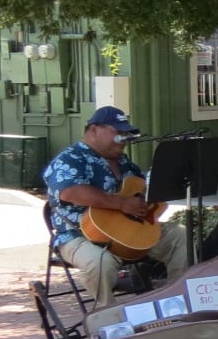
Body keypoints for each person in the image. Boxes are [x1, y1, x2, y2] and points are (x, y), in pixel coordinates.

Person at [42, 106, 190, 310]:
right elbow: (71, 192)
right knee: (100, 261)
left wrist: (151, 200)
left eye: (126, 133)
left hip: (129, 235)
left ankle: (176, 301)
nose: (124, 138)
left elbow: (141, 191)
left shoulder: (124, 162)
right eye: (118, 132)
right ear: (94, 130)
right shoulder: (70, 159)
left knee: (180, 236)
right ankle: (108, 318)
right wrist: (121, 203)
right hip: (79, 236)